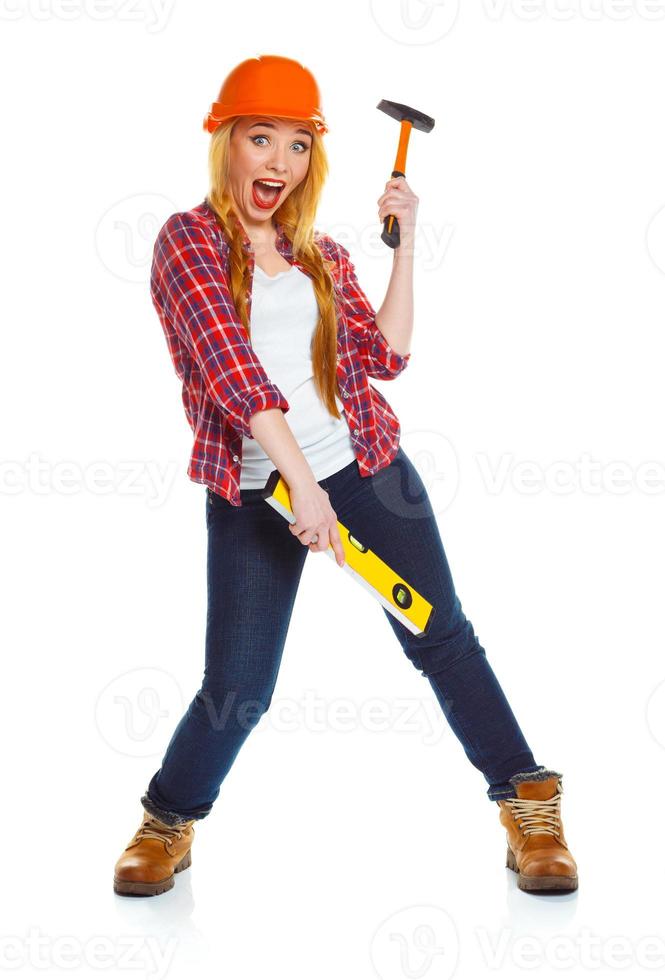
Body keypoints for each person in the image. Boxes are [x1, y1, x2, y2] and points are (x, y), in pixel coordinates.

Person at [113, 54, 578, 898]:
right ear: (225, 141)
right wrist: (304, 492)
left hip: (366, 468)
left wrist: (405, 250)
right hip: (259, 489)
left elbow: (385, 357)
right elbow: (236, 376)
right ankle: (168, 821)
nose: (278, 163)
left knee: (442, 638)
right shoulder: (187, 241)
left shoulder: (319, 251)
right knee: (240, 686)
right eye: (261, 139)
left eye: (296, 145)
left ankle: (527, 805)